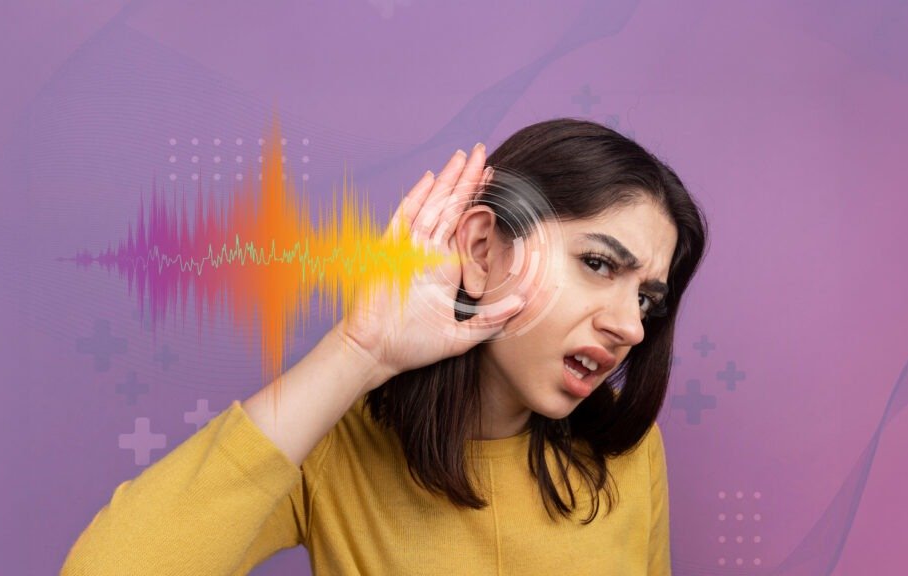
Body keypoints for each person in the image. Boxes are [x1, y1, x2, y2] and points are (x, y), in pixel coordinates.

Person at [60, 118, 709, 575]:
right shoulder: (333, 448)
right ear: (483, 249)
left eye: (648, 298)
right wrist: (358, 352)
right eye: (598, 264)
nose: (630, 326)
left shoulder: (625, 454)